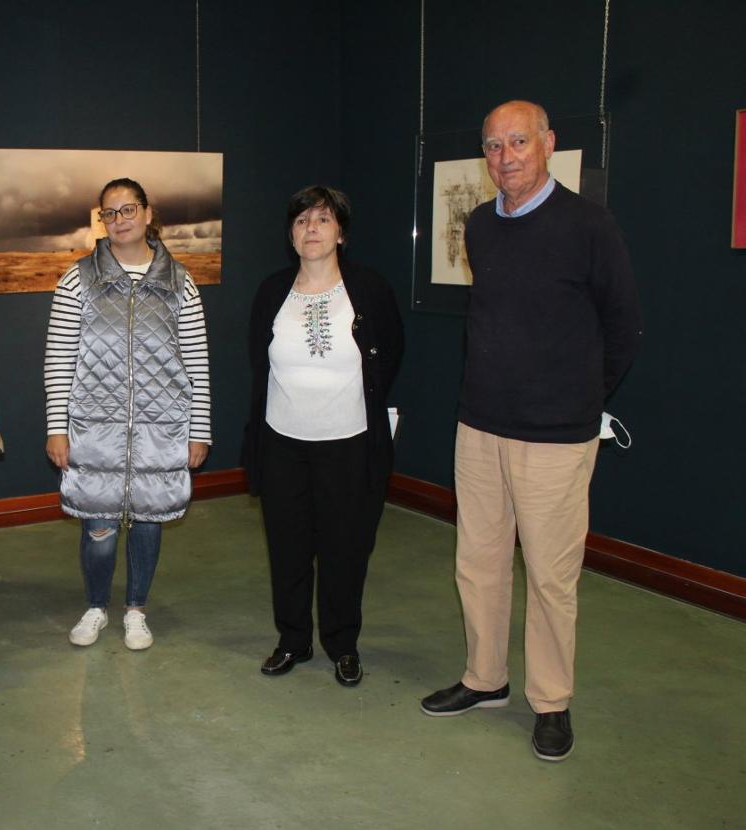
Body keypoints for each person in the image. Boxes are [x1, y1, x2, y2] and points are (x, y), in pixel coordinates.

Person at [420, 101, 642, 762]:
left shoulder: (589, 225)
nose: (505, 155)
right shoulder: (481, 225)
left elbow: (624, 327)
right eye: (493, 145)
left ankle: (550, 702)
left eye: (518, 141)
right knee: (479, 562)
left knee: (550, 575)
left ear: (547, 143)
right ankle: (485, 679)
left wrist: (577, 398)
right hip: (480, 425)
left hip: (556, 435)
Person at [244, 186, 403, 685]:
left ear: (341, 233)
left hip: (350, 442)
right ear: (291, 236)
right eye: (301, 221)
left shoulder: (370, 290)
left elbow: (391, 354)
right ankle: (293, 641)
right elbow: (257, 361)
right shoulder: (272, 291)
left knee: (345, 549)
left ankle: (342, 643)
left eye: (322, 220)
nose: (311, 229)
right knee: (288, 547)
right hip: (282, 443)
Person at [44, 177, 211, 650]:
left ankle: (136, 609)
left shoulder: (181, 283)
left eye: (128, 209)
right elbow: (59, 358)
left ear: (148, 212)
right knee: (97, 527)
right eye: (110, 213)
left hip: (163, 430)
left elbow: (196, 361)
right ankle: (96, 606)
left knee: (148, 522)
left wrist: (199, 430)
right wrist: (57, 427)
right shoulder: (78, 279)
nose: (119, 220)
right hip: (94, 429)